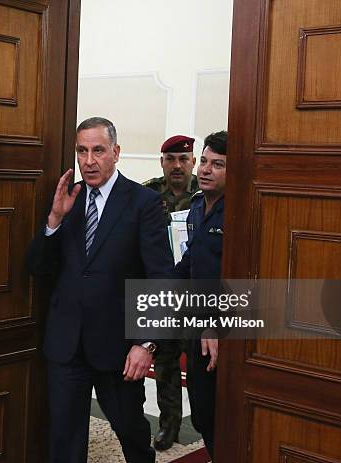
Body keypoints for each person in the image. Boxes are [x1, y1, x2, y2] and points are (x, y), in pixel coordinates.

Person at [26, 117, 175, 463]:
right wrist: (54, 221)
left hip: (119, 349)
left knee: (132, 434)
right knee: (64, 440)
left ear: (116, 153)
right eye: (82, 151)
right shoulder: (69, 199)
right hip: (66, 346)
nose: (89, 161)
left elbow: (161, 278)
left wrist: (147, 343)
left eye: (98, 151)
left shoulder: (143, 202)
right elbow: (37, 268)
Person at [172, 130, 227, 460]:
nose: (205, 169)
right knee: (203, 411)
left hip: (223, 331)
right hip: (196, 326)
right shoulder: (197, 207)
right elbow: (190, 261)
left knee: (223, 413)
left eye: (217, 164)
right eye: (204, 161)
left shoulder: (238, 212)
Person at [142, 135, 198, 451]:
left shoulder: (207, 194)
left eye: (183, 159)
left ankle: (211, 421)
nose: (177, 165)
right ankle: (169, 426)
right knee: (164, 361)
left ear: (192, 161)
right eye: (170, 159)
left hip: (195, 290)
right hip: (162, 290)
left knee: (202, 358)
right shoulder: (148, 193)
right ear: (162, 162)